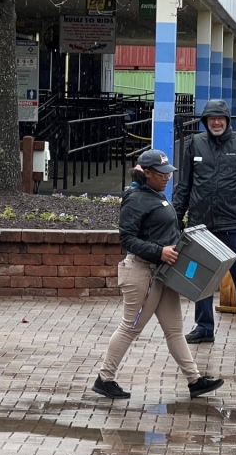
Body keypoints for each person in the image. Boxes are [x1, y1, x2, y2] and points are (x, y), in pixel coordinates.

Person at [92, 149, 225, 401]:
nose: (167, 177)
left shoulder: (155, 194)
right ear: (147, 173)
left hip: (161, 274)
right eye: (162, 173)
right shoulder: (136, 198)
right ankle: (104, 379)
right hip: (143, 273)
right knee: (130, 328)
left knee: (174, 330)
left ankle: (195, 380)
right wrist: (159, 251)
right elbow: (126, 238)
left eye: (168, 173)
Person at [172, 99, 236, 346]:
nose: (216, 122)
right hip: (200, 225)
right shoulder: (195, 144)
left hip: (234, 224)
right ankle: (204, 327)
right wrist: (176, 215)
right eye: (211, 118)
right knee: (201, 278)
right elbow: (184, 184)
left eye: (221, 118)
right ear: (205, 121)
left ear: (227, 120)